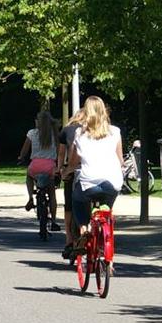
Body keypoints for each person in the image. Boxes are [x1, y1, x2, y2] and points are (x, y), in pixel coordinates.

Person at [66, 96, 122, 247]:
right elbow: (120, 160)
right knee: (107, 207)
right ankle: (109, 255)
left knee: (77, 199)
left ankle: (84, 230)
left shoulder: (79, 133)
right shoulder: (115, 132)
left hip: (89, 183)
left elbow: (73, 162)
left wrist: (66, 171)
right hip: (112, 182)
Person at [18, 110, 61, 231]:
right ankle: (53, 221)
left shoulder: (32, 133)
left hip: (35, 166)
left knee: (28, 176)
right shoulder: (55, 134)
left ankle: (31, 198)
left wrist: (21, 157)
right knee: (52, 194)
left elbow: (25, 150)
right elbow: (59, 150)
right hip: (50, 167)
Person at [57, 107, 85, 257]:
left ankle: (68, 238)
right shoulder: (92, 131)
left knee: (69, 205)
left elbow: (62, 153)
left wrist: (59, 168)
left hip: (73, 171)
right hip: (88, 169)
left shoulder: (66, 130)